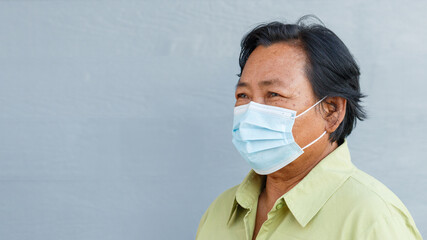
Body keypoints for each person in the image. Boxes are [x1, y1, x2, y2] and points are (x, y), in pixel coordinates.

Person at [196, 16, 422, 240]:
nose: (252, 111)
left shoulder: (371, 220)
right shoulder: (220, 212)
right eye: (243, 95)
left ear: (331, 110)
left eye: (274, 94)